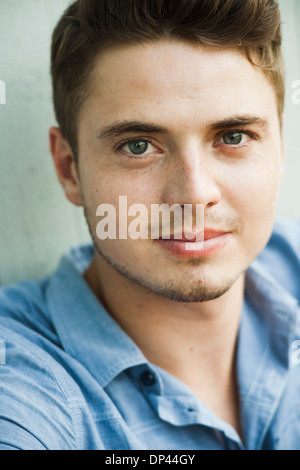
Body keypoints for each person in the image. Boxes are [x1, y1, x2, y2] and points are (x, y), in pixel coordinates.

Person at [0, 0, 299, 451]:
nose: (195, 194)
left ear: (280, 147)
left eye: (233, 137)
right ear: (69, 168)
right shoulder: (21, 380)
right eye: (138, 145)